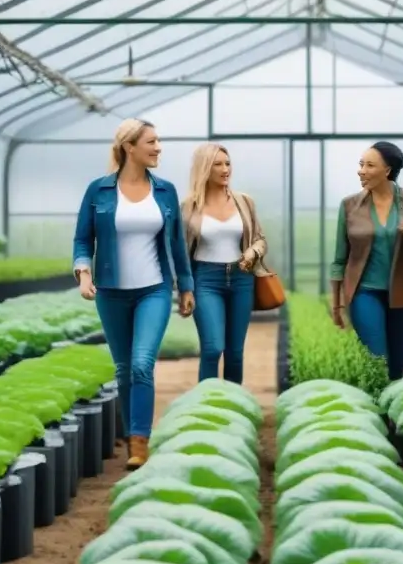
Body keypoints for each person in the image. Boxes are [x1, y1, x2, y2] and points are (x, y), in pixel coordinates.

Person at [72, 118, 195, 471]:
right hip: (110, 292)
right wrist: (84, 272)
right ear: (129, 147)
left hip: (154, 289)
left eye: (158, 141)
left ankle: (139, 442)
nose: (158, 148)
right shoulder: (99, 191)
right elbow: (83, 239)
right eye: (152, 142)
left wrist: (185, 285)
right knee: (124, 368)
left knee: (142, 363)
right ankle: (132, 436)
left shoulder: (166, 191)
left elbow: (176, 243)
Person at [330, 141, 403, 381]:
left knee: (398, 365)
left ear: (387, 171)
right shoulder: (349, 205)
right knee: (377, 358)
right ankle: (375, 411)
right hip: (364, 292)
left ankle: (389, 417)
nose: (361, 171)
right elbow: (339, 259)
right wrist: (336, 304)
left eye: (369, 165)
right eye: (360, 164)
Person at [181, 143, 267, 384]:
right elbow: (180, 251)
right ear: (204, 169)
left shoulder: (244, 202)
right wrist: (184, 288)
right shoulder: (188, 207)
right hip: (206, 279)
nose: (225, 169)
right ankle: (206, 406)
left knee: (235, 353)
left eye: (227, 163)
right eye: (217, 164)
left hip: (242, 279)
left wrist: (252, 251)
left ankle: (232, 407)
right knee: (212, 348)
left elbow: (260, 238)